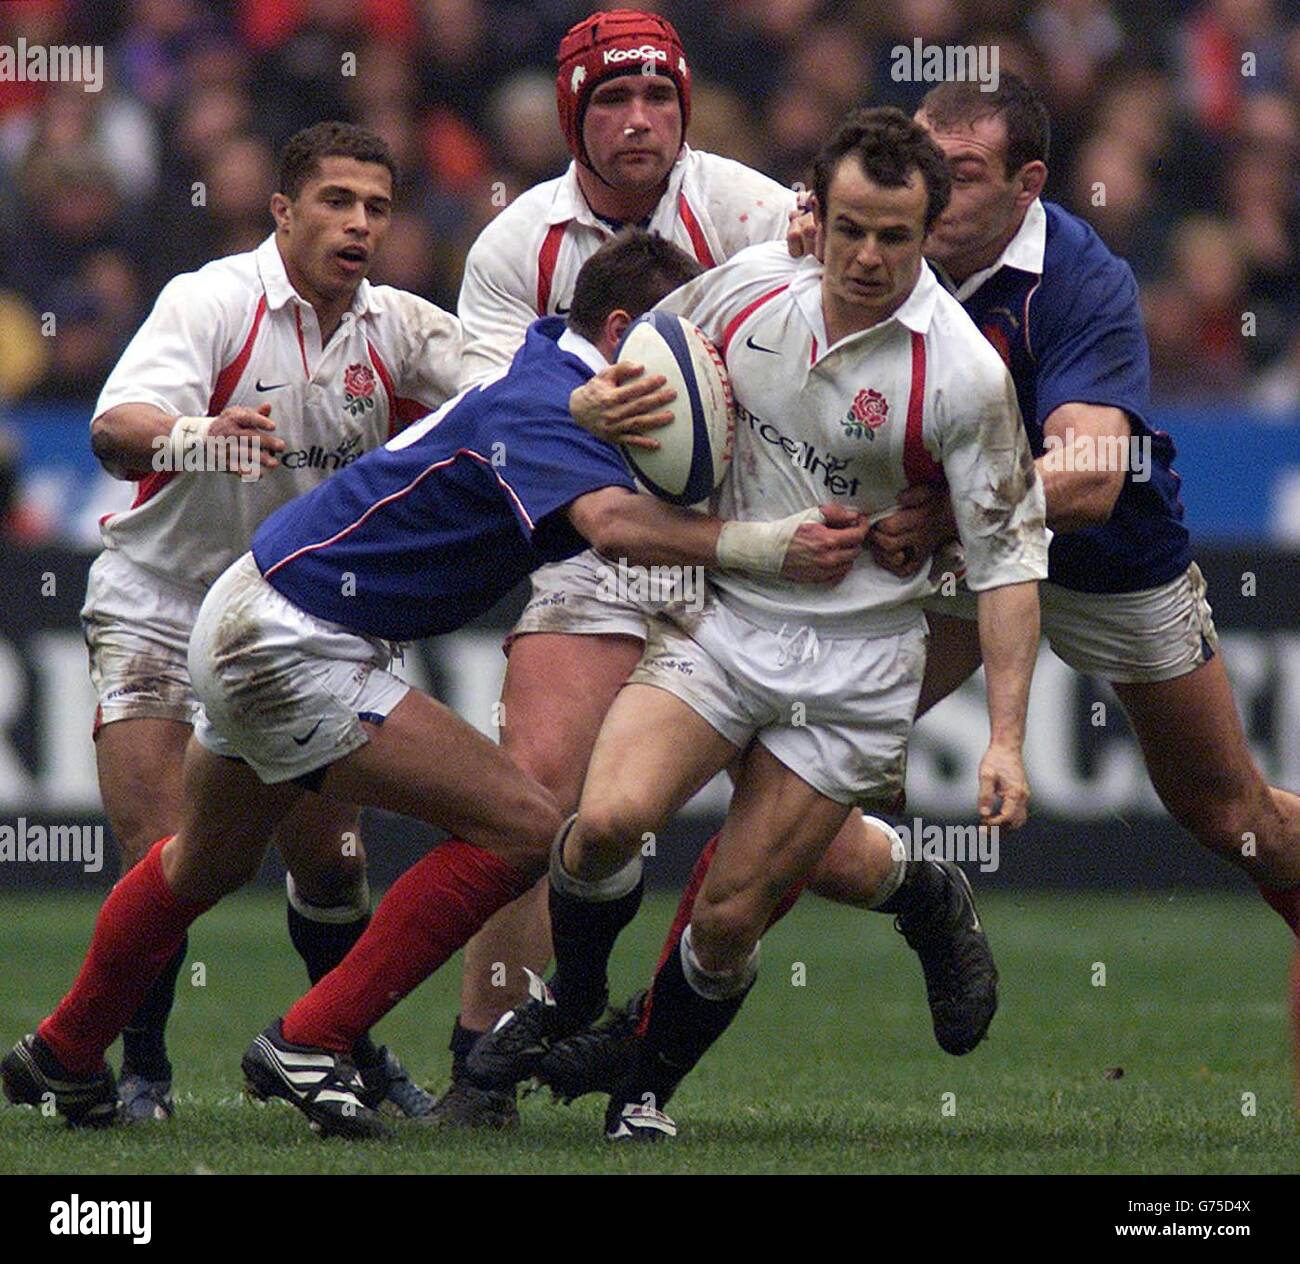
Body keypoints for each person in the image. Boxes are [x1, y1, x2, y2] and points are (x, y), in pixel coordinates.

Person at [2, 230, 867, 1138]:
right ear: (626, 331)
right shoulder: (546, 403)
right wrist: (774, 547)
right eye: (695, 345)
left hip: (258, 607)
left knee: (203, 862)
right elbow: (613, 527)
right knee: (527, 827)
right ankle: (311, 1038)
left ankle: (64, 1046)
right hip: (292, 638)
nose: (713, 376)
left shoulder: (548, 371)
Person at [548, 74, 1300, 1103]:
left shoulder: (1077, 279)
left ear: (1027, 185)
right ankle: (651, 1031)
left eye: (964, 177)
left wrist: (956, 504)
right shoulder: (870, 242)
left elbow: (1088, 472)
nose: (931, 202)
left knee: (1228, 816)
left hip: (1104, 564)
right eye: (925, 174)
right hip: (944, 575)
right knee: (795, 781)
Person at [437, 6, 1000, 1129]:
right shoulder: (512, 248)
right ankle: (480, 1060)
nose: (640, 120)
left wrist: (931, 498)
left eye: (659, 98)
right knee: (548, 791)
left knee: (770, 857)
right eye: (611, 99)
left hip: (765, 551)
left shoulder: (751, 207)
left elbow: (894, 329)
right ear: (570, 115)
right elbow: (512, 421)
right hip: (610, 537)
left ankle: (909, 885)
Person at [64, 120, 462, 1122]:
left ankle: (344, 1050)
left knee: (332, 858)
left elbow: (513, 404)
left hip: (293, 627)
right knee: (168, 853)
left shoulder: (403, 331)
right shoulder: (211, 300)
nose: (359, 223)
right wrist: (197, 436)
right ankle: (142, 1074)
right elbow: (115, 429)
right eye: (336, 200)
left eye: (377, 205)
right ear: (283, 211)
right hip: (160, 603)